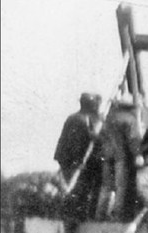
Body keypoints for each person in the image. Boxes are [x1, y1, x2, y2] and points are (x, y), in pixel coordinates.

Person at [54, 92, 104, 221]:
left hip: (72, 160)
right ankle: (72, 217)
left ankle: (75, 216)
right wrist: (77, 162)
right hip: (72, 161)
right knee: (75, 188)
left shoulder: (79, 118)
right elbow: (75, 143)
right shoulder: (80, 120)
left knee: (76, 189)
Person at [95, 95, 140, 221]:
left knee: (106, 186)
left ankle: (100, 214)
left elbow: (100, 136)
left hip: (106, 155)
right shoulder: (130, 119)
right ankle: (117, 215)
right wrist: (137, 155)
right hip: (121, 156)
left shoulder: (108, 119)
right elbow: (133, 140)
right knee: (120, 186)